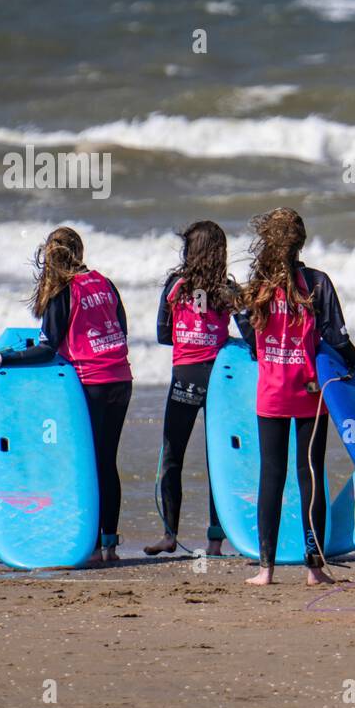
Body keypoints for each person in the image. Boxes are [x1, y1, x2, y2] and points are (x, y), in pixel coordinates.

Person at [0, 227, 132, 566]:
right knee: (106, 461)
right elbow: (120, 327)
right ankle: (109, 544)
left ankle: (91, 548)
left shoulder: (63, 290)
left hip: (91, 383)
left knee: (88, 465)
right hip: (120, 379)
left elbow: (48, 349)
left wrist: (3, 359)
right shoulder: (103, 282)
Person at [241, 208, 355, 587]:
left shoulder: (258, 287)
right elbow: (337, 338)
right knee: (309, 475)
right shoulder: (316, 283)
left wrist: (261, 352)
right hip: (311, 393)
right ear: (301, 242)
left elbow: (246, 327)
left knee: (272, 475)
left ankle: (265, 570)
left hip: (271, 393)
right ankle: (314, 567)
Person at [145, 221, 244, 557]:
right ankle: (215, 540)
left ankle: (170, 534)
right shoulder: (227, 290)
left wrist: (188, 337)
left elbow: (162, 333)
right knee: (218, 458)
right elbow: (252, 334)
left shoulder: (176, 286)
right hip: (218, 379)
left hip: (184, 377)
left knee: (173, 456)